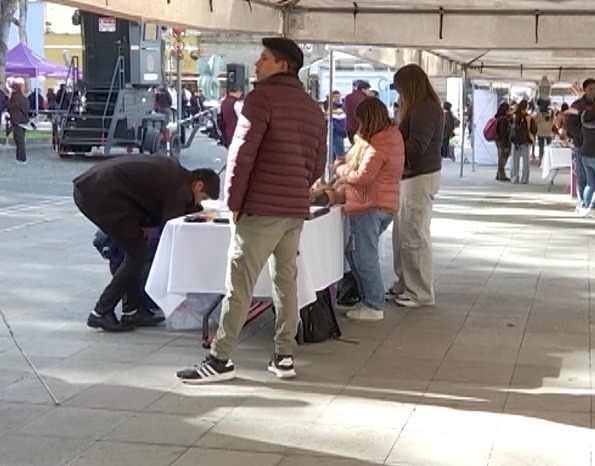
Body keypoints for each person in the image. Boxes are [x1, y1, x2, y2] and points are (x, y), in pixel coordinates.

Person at [177, 37, 326, 384]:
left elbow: (241, 156)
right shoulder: (310, 107)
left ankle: (221, 358)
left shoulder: (261, 99)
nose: (257, 63)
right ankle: (284, 355)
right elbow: (317, 164)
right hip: (293, 210)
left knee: (239, 284)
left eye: (264, 58)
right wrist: (295, 187)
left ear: (282, 65)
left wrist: (233, 204)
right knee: (285, 282)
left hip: (260, 208)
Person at [73, 156, 220, 332]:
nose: (199, 202)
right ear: (198, 185)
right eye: (202, 198)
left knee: (137, 251)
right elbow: (169, 225)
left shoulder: (176, 175)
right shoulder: (178, 187)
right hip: (99, 194)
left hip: (96, 188)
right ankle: (101, 311)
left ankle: (132, 310)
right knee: (138, 255)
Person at [334, 98, 404, 321]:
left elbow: (363, 177)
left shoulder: (379, 142)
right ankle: (367, 300)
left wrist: (340, 169)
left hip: (370, 205)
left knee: (364, 256)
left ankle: (374, 304)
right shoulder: (391, 135)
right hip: (381, 204)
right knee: (355, 253)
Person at [386, 64, 443, 308]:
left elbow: (417, 145)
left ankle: (420, 291)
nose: (398, 96)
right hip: (410, 177)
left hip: (419, 177)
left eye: (400, 90)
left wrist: (390, 145)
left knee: (414, 235)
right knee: (402, 234)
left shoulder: (425, 109)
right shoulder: (418, 108)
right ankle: (405, 283)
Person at [566, 78, 595, 212]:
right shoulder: (576, 105)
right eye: (591, 89)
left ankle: (589, 202)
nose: (594, 91)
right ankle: (582, 202)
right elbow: (570, 126)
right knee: (582, 175)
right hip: (581, 145)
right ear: (584, 90)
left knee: (594, 175)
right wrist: (583, 135)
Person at [509, 99, 537, 184]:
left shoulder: (514, 116)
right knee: (526, 162)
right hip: (525, 141)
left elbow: (509, 127)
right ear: (527, 107)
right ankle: (524, 179)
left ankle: (514, 178)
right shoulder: (529, 117)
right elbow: (534, 129)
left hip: (515, 141)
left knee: (515, 161)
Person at [7, 81, 30, 165]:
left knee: (19, 141)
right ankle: (19, 158)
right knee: (20, 141)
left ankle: (22, 159)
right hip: (23, 121)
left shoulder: (15, 99)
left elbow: (9, 106)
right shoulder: (24, 98)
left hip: (17, 122)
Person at [493, 102, 512, 181]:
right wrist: (506, 145)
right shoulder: (504, 120)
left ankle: (499, 173)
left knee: (501, 156)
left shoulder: (497, 117)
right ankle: (501, 173)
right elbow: (504, 133)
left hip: (498, 140)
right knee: (503, 157)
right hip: (503, 141)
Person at [330, 90, 348, 157]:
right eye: (335, 97)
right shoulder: (330, 107)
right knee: (340, 154)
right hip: (336, 131)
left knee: (335, 153)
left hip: (341, 130)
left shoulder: (343, 106)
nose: (338, 98)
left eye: (339, 97)